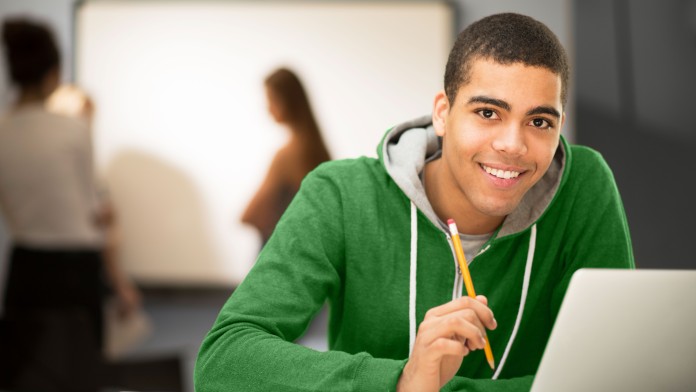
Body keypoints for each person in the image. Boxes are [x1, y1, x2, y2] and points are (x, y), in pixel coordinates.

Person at [195, 13, 634, 392]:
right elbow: (223, 361)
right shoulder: (341, 193)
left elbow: (616, 376)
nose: (512, 144)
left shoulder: (585, 185)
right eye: (487, 113)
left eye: (539, 121)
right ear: (443, 112)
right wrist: (403, 381)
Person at [0, 17, 140, 391]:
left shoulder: (1, 130)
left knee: (24, 376)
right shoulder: (74, 130)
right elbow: (93, 213)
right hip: (76, 274)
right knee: (80, 378)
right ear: (54, 71)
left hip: (26, 269)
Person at [241, 67, 331, 245]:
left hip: (280, 252)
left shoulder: (287, 155)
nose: (268, 108)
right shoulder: (320, 152)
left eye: (271, 100)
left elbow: (249, 215)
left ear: (288, 102)